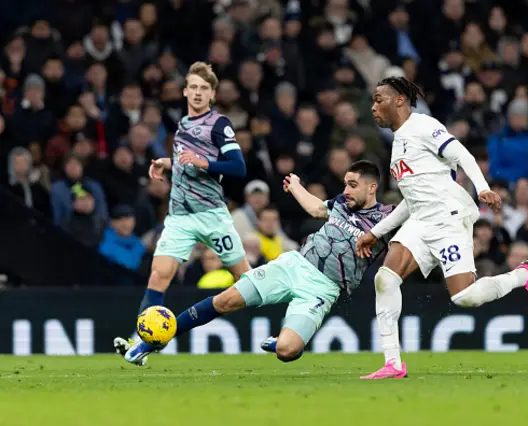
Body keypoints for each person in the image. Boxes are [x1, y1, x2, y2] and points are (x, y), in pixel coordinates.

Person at [356, 77, 528, 379]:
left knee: (465, 297)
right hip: (421, 219)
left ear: (399, 100)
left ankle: (522, 276)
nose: (373, 107)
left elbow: (462, 154)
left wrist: (483, 188)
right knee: (385, 279)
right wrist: (376, 232)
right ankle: (393, 363)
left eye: (378, 99)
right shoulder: (398, 145)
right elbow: (411, 201)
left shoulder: (423, 125)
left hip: (448, 216)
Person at [122, 161, 395, 365]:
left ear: (372, 187)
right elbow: (315, 208)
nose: (346, 190)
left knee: (287, 351)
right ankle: (149, 344)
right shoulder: (341, 204)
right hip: (293, 266)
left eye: (353, 185)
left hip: (323, 290)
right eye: (346, 183)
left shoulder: (388, 220)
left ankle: (283, 341)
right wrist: (297, 187)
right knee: (225, 300)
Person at [114, 62, 251, 357]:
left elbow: (238, 167)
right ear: (185, 91)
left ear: (212, 94)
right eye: (194, 88)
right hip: (180, 216)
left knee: (248, 282)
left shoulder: (219, 124)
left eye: (205, 89)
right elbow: (189, 164)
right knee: (158, 275)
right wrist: (169, 163)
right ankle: (140, 343)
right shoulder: (183, 124)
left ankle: (288, 320)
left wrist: (204, 164)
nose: (199, 93)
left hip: (212, 214)